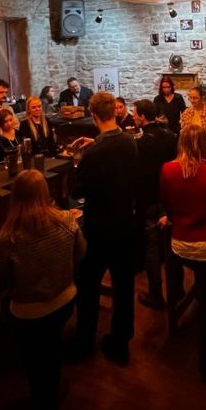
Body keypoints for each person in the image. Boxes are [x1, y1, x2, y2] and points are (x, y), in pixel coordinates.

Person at [0, 171, 86, 410]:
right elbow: (81, 252)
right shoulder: (67, 220)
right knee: (50, 351)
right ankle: (51, 396)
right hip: (64, 299)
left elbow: (3, 279)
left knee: (37, 364)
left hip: (30, 310)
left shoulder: (10, 236)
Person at [160, 125, 206, 380]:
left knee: (202, 283)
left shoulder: (167, 170)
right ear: (204, 144)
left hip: (181, 243)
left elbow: (168, 205)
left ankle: (183, 303)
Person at [71, 91, 138, 364]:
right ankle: (120, 342)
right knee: (123, 286)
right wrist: (94, 144)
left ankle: (85, 340)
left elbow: (77, 190)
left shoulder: (94, 153)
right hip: (125, 223)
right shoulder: (129, 141)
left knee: (87, 285)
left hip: (99, 227)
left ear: (94, 115)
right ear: (114, 112)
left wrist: (78, 159)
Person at [132, 99, 177, 310]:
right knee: (171, 245)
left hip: (149, 199)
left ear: (142, 117)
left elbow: (138, 174)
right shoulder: (170, 136)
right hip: (169, 197)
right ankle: (178, 290)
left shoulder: (141, 144)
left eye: (135, 114)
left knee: (152, 248)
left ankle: (156, 294)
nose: (133, 117)